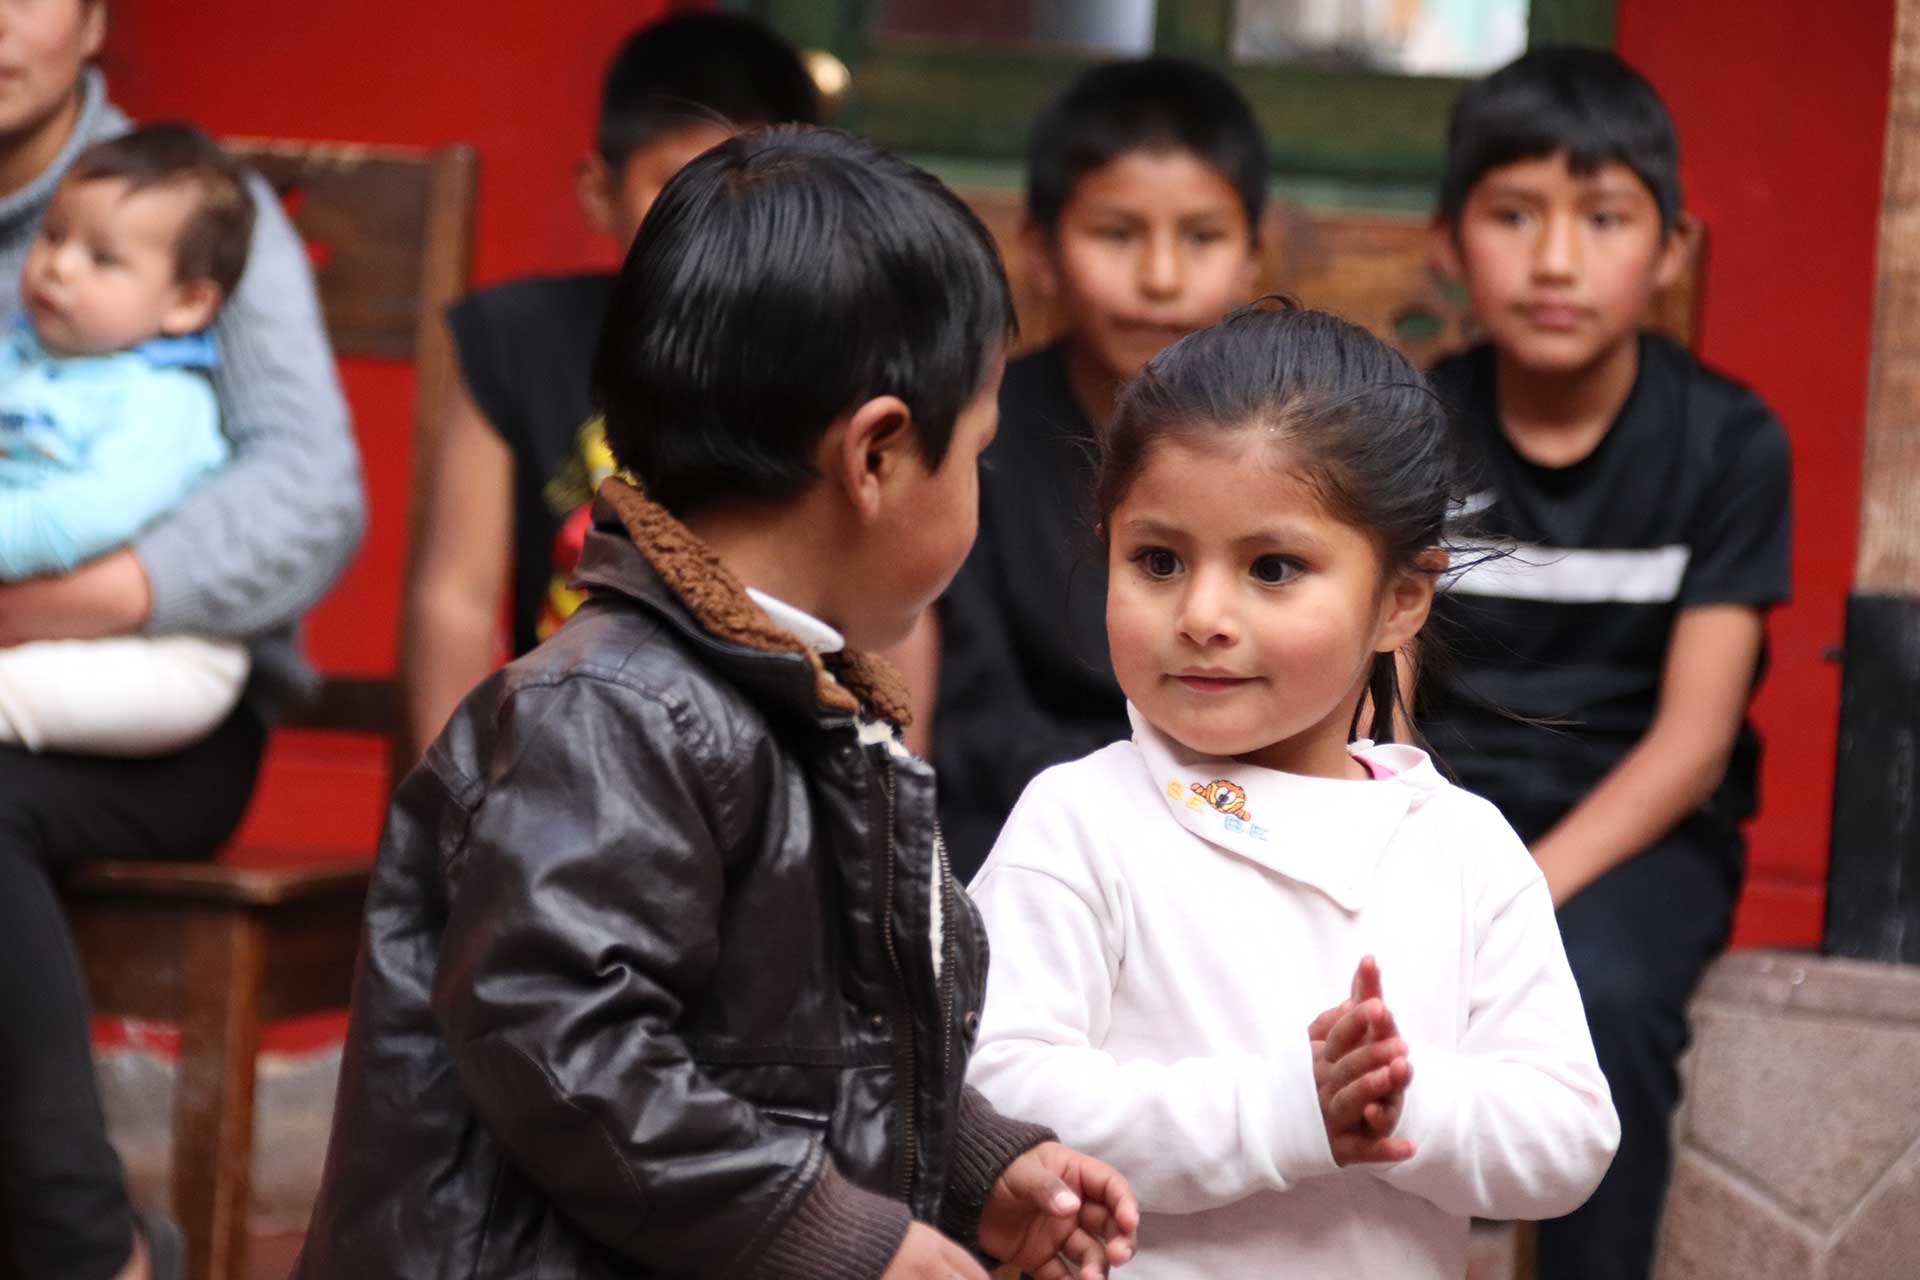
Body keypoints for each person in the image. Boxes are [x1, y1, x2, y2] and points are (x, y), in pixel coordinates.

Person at [295, 127, 1140, 1280]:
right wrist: (842, 1236)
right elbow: (562, 1046)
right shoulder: (605, 714)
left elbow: (824, 1046)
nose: (980, 488)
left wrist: (979, 1162)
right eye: (978, 455)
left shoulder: (816, 710)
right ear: (878, 455)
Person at [966, 301, 1619, 1279]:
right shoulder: (1080, 821)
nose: (1202, 614)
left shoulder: (1462, 848)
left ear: (1400, 598)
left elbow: (1569, 1133)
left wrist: (1398, 1097)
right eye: (1157, 559)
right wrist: (1274, 1111)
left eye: (1273, 567)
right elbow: (988, 1092)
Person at [0, 3, 362, 1278]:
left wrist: (52, 602)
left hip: (161, 712)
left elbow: (312, 498)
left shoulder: (202, 207)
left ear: (97, 21)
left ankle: (88, 1249)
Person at [1418, 48, 1792, 1279]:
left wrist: (1526, 887)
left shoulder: (1729, 441)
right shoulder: (1411, 424)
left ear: (1670, 248)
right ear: (1449, 239)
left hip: (1635, 829)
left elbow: (1692, 744)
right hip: (1435, 806)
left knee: (1610, 993)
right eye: (1515, 214)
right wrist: (1426, 851)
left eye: (1604, 218)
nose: (1558, 258)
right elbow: (1386, 691)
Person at [401, 11, 819, 761]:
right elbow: (454, 600)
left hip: (767, 759)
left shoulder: (837, 352)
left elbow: (895, 622)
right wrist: (460, 803)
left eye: (751, 184)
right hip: (562, 747)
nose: (711, 222)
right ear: (600, 193)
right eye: (674, 183)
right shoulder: (521, 339)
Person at [933, 57, 1264, 879]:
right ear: (1040, 251)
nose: (1159, 278)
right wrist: (1135, 800)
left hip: (1248, 814)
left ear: (1254, 256)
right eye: (1116, 234)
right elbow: (968, 714)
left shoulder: (1290, 448)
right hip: (1025, 825)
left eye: (1201, 237)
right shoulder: (979, 432)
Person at [0, 123, 256, 757]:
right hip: (43, 627)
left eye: (103, 258)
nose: (58, 265)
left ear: (187, 304)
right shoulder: (16, 355)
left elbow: (86, 516)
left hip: (158, 654)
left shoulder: (164, 403)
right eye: (54, 235)